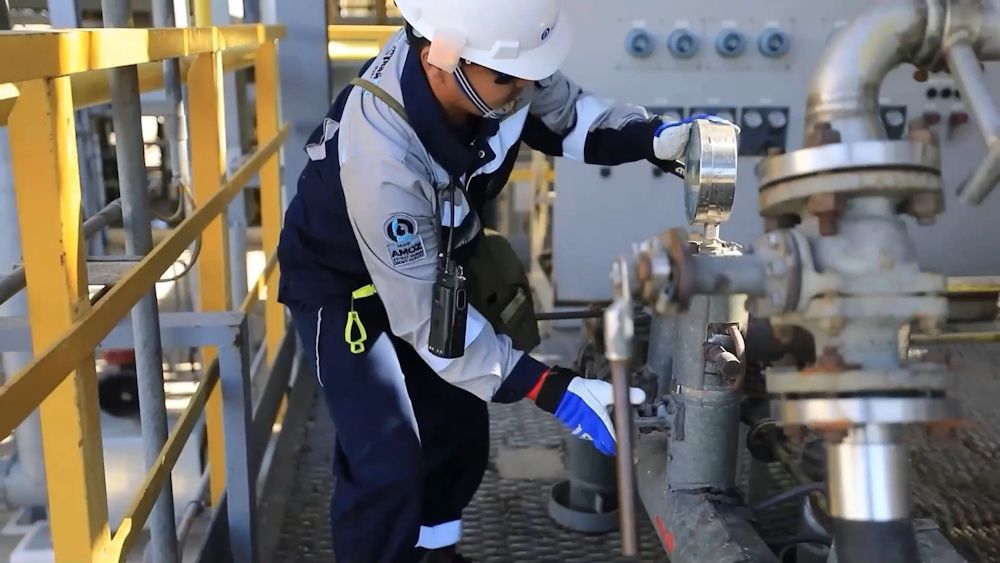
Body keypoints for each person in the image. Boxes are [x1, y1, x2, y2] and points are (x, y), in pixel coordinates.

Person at [276, 1, 739, 561]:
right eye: (509, 79)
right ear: (440, 61)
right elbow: (426, 323)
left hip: (431, 264)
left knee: (457, 434)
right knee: (388, 458)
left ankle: (434, 554)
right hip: (344, 290)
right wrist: (555, 390)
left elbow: (569, 116)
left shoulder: (496, 68)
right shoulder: (382, 159)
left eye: (529, 74)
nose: (525, 90)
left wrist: (653, 138)